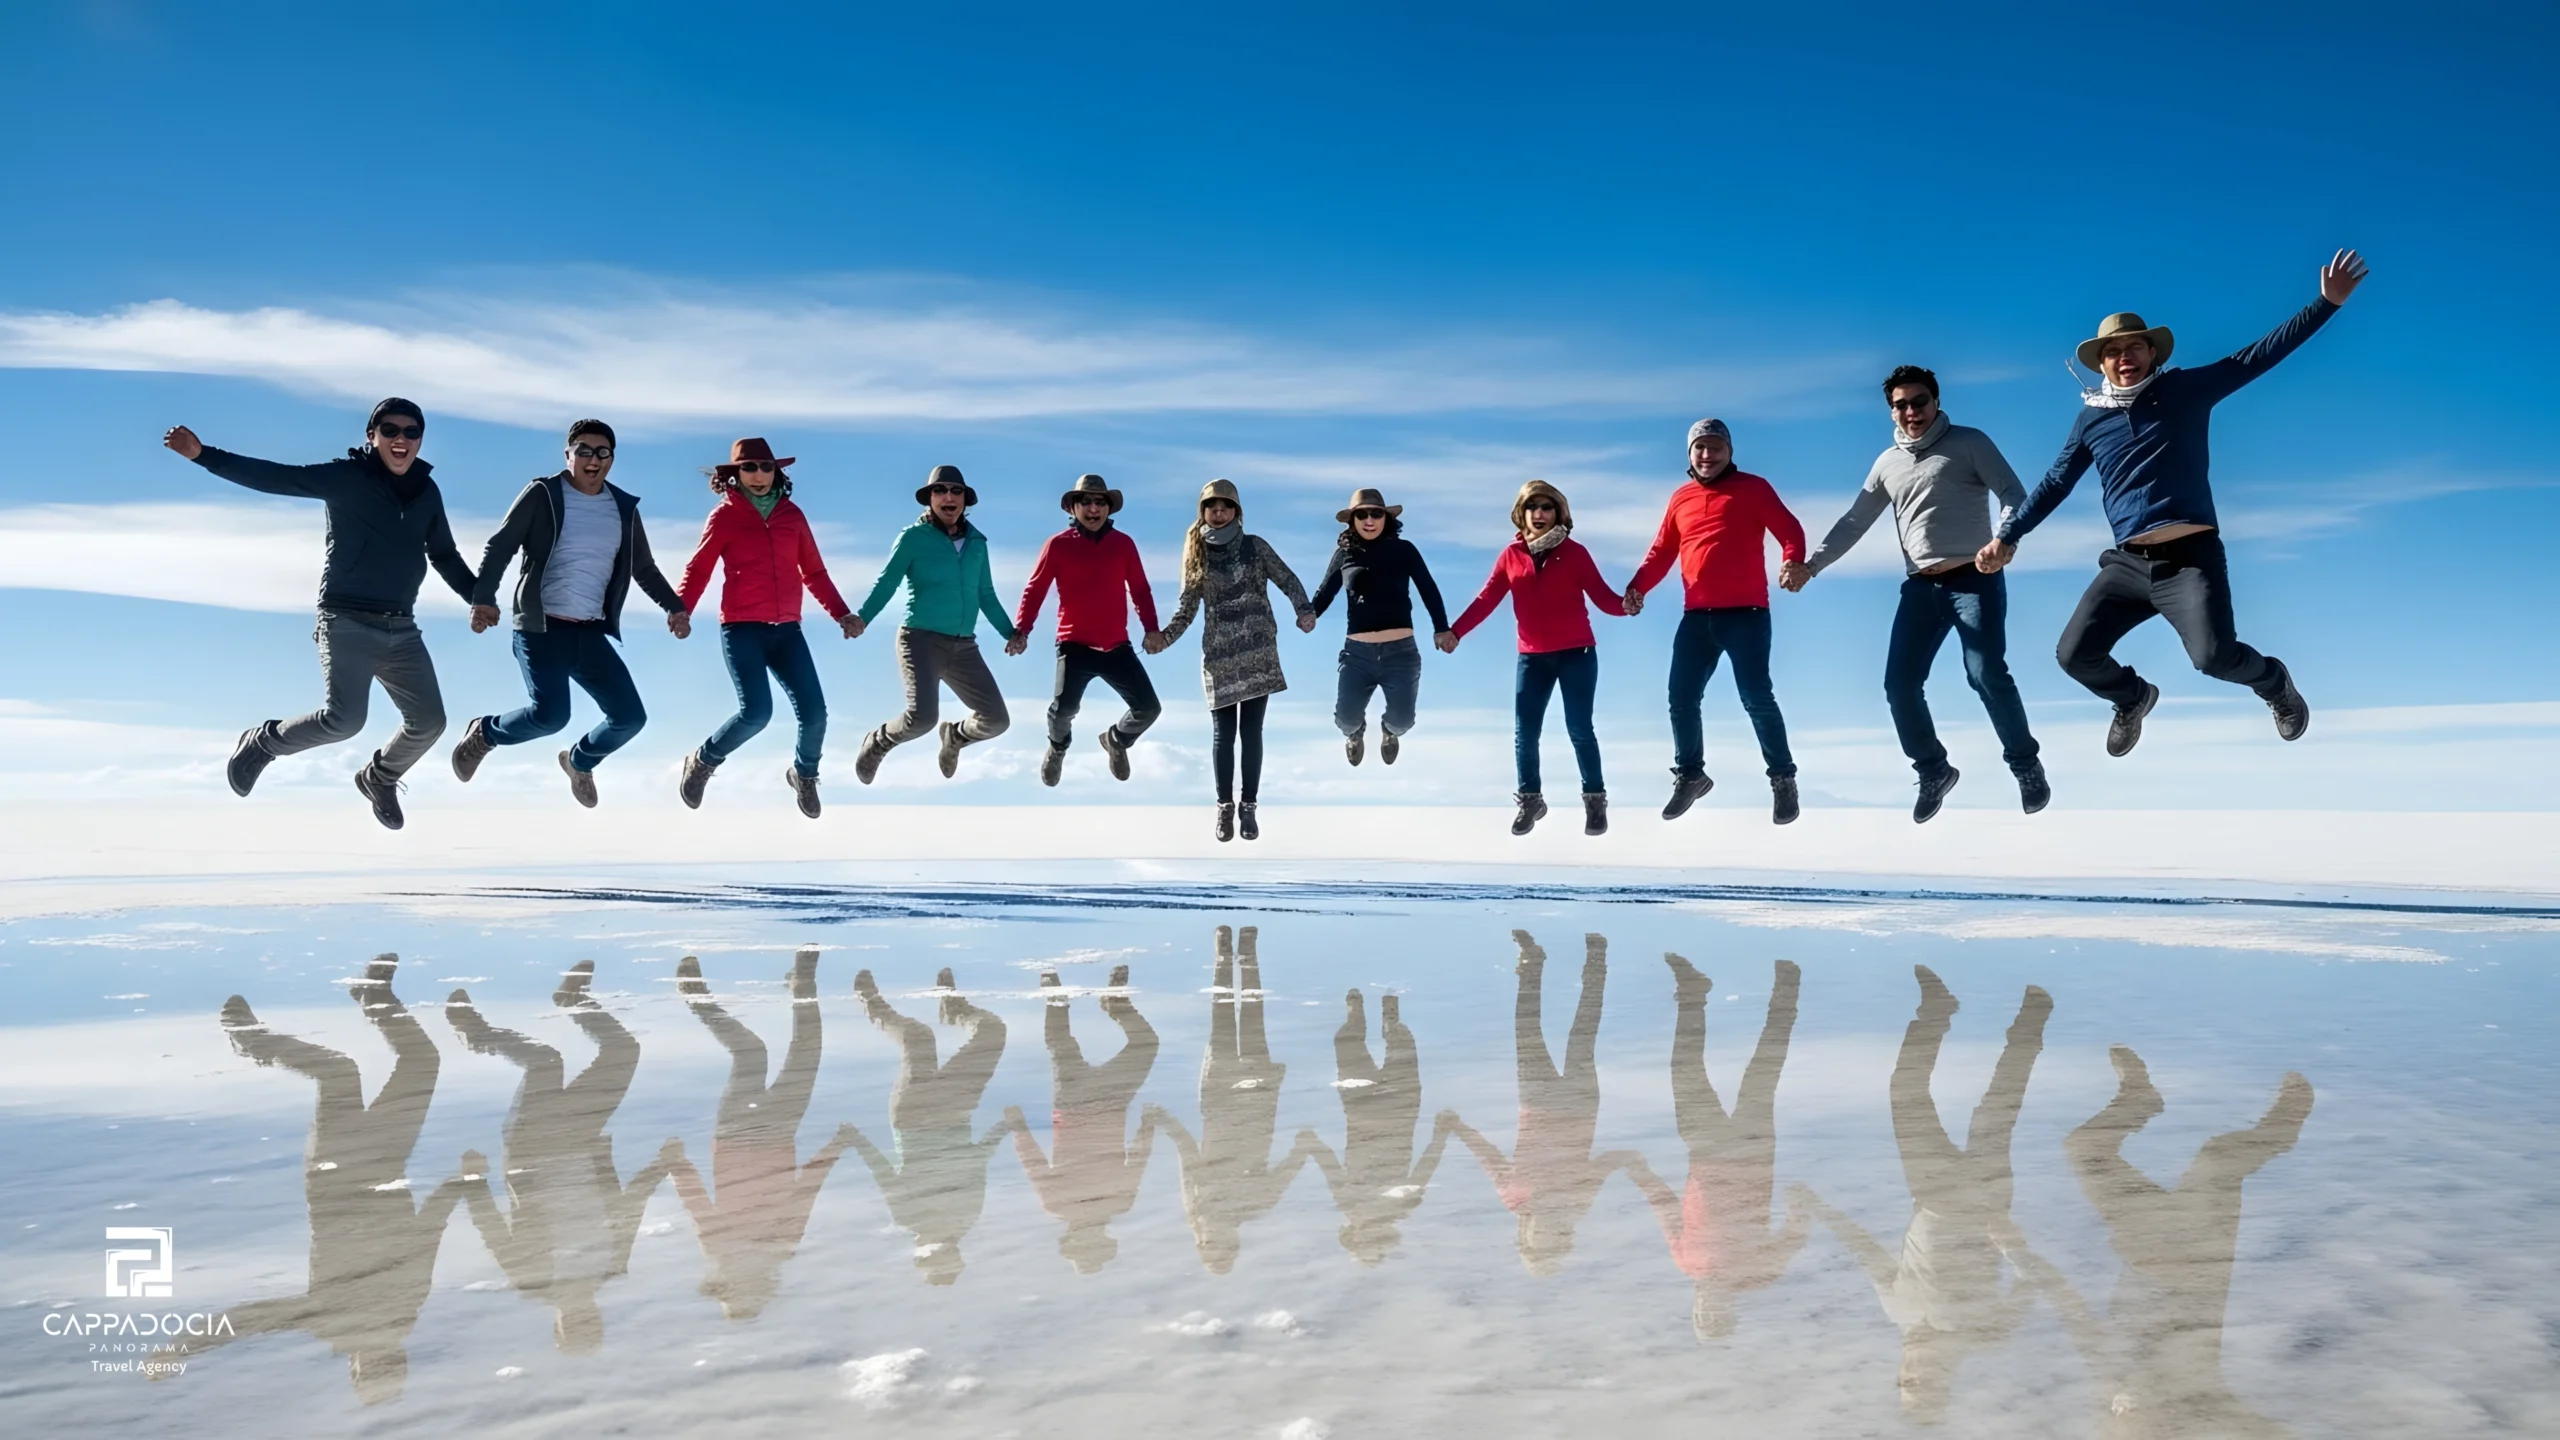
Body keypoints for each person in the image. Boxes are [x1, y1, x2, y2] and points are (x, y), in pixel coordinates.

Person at [1978, 250, 2369, 757]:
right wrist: (2007, 536)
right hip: (2128, 565)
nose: (2125, 357)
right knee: (2073, 655)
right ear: (2101, 362)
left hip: (2191, 559)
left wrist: (2325, 304)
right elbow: (2055, 482)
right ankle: (2133, 697)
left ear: (2151, 354)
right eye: (2114, 350)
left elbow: (2255, 357)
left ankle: (2274, 682)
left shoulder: (2184, 390)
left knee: (2214, 658)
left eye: (2135, 346)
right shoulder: (2091, 422)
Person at [162, 399, 477, 830]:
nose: (400, 439)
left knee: (429, 723)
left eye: (411, 432)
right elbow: (277, 477)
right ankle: (264, 743)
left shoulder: (426, 492)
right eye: (390, 430)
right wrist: (204, 455)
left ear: (420, 440)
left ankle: (380, 777)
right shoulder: (346, 478)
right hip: (345, 619)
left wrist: (477, 597)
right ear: (373, 436)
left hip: (401, 626)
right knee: (344, 720)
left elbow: (442, 552)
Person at [1791, 965, 2051, 1425]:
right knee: (1996, 1105)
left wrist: (1820, 1209)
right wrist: (2010, 1243)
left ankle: (1936, 1011)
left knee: (1905, 1091)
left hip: (1929, 1191)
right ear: (1943, 1382)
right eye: (1920, 1384)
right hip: (1984, 1202)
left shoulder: (1898, 1311)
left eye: (1903, 1382)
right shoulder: (1984, 1333)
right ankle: (2033, 1016)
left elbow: (1866, 1252)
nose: (1909, 1372)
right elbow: (2034, 1283)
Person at [1784, 369, 2049, 820]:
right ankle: (1933, 770)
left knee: (1984, 673)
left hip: (1974, 578)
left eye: (1920, 402)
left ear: (1937, 401)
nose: (1912, 412)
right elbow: (1855, 521)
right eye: (1902, 405)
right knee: (1899, 685)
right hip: (1921, 587)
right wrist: (1812, 566)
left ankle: (2025, 765)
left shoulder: (1970, 443)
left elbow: (2012, 494)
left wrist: (2004, 541)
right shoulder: (1887, 463)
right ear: (1891, 410)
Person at [450, 419, 688, 808]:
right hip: (540, 628)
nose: (592, 460)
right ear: (568, 454)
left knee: (630, 718)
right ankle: (486, 733)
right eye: (584, 451)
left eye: (602, 452)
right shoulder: (543, 493)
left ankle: (581, 761)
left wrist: (674, 607)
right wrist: (483, 598)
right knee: (550, 716)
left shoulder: (623, 508)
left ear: (611, 459)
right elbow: (502, 545)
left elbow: (642, 567)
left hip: (589, 633)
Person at [443, 962, 670, 1355]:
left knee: (545, 1061)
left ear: (558, 1326)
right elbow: (630, 1209)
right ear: (598, 1317)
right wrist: (660, 1166)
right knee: (623, 1050)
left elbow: (492, 1229)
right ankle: (574, 999)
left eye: (575, 1326)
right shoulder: (612, 1265)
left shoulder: (530, 1280)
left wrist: (474, 1181)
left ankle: (475, 1034)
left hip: (533, 1147)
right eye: (589, 1323)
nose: (582, 1316)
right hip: (582, 1140)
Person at [1628, 418, 1810, 825]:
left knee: (1756, 697)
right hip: (1696, 617)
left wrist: (1791, 562)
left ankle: (1783, 779)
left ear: (1729, 451)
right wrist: (1637, 587)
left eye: (1715, 447)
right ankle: (1690, 775)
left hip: (1746, 614)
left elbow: (1790, 529)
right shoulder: (1680, 498)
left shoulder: (1754, 488)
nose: (1707, 455)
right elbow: (1662, 551)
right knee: (1680, 697)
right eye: (1700, 448)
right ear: (1689, 454)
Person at [1444, 931, 1657, 1276]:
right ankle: (1596, 959)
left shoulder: (1515, 1200)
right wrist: (1633, 1164)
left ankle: (1532, 961)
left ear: (1525, 1235)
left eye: (1538, 1237)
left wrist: (1457, 1128)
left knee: (1525, 1027)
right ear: (1566, 1236)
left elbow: (1489, 1157)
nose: (1547, 1230)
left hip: (1536, 1100)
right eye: (1555, 1237)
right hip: (1580, 1103)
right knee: (1583, 1031)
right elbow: (1607, 1162)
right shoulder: (1578, 1203)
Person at [660, 951, 855, 1321]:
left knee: (751, 1053)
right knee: (807, 1051)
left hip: (735, 1130)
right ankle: (803, 982)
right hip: (781, 1131)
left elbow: (695, 1201)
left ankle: (696, 997)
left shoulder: (719, 1246)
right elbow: (805, 1191)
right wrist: (835, 1147)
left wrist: (676, 1163)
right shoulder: (782, 1246)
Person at [672, 439, 856, 818]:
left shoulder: (793, 516)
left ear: (777, 473)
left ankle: (803, 775)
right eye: (750, 467)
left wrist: (841, 614)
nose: (759, 476)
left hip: (788, 631)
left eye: (766, 467)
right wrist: (681, 609)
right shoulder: (724, 516)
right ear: (735, 474)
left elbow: (815, 572)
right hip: (742, 630)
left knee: (816, 713)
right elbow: (700, 567)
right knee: (757, 713)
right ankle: (704, 761)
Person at [1630, 957, 1808, 1342]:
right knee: (1763, 1069)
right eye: (1717, 1316)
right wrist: (1800, 1204)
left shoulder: (1685, 1263)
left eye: (1703, 1315)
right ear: (1732, 1312)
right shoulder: (1760, 1274)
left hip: (1704, 1150)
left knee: (1684, 1068)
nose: (1710, 1308)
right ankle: (1786, 991)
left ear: (1694, 1307)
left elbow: (1665, 1208)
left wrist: (1641, 1174)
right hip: (1752, 1152)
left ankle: (1692, 994)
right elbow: (1795, 1235)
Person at [1450, 480, 1631, 837]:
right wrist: (1456, 632)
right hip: (1532, 658)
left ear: (1558, 513)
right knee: (1525, 733)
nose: (1539, 514)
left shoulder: (1575, 553)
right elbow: (1487, 599)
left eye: (1546, 507)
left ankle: (1595, 801)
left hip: (1576, 653)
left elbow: (1603, 596)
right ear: (1522, 513)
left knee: (1579, 728)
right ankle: (1531, 800)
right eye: (1532, 507)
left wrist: (1627, 606)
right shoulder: (1510, 556)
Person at [1143, 926, 1325, 1273]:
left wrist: (1163, 1120)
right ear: (1234, 1241)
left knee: (1222, 1015)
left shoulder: (1197, 1200)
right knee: (1253, 1015)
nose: (1216, 1235)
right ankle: (1249, 953)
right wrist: (1307, 1145)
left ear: (1202, 1239)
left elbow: (1186, 1153)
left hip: (1220, 1096)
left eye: (1210, 1243)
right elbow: (1292, 1164)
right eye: (1223, 1244)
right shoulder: (1258, 1203)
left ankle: (1224, 954)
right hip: (1257, 1098)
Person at [1147, 479, 1314, 842]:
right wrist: (1164, 639)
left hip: (1257, 651)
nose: (1218, 512)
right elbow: (1186, 609)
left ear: (1237, 511)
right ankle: (1224, 809)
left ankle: (1249, 808)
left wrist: (1304, 611)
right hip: (1219, 655)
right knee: (1223, 734)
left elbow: (1287, 579)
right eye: (1212, 506)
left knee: (1251, 732)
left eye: (1225, 506)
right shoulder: (1198, 554)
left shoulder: (1255, 547)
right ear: (1203, 512)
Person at [840, 968, 1019, 1287]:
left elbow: (882, 1171)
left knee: (918, 1038)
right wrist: (1003, 1128)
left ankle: (871, 1002)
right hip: (956, 1110)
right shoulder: (966, 1217)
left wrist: (855, 1140)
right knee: (992, 1031)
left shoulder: (907, 1216)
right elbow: (976, 1163)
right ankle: (955, 1010)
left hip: (913, 1114)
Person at [851, 465, 1017, 784]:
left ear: (965, 500)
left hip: (964, 646)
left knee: (996, 720)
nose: (948, 497)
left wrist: (1010, 633)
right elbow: (888, 582)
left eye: (956, 491)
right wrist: (863, 618)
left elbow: (986, 594)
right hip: (920, 640)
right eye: (940, 491)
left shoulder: (977, 543)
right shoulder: (912, 538)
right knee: (922, 719)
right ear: (930, 499)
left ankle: (955, 737)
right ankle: (879, 741)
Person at [1008, 473, 1164, 787]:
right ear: (1074, 508)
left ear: (1108, 508)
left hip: (1116, 646)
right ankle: (1057, 747)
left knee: (1148, 708)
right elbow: (1035, 589)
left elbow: (1141, 590)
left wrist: (1152, 629)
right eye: (1086, 502)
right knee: (1063, 710)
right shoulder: (1058, 545)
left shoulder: (1123, 544)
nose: (1093, 509)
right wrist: (1022, 629)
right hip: (1074, 645)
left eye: (1099, 502)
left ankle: (1116, 740)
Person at [1006, 966, 1160, 1275]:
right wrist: (1017, 1127)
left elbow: (1139, 1157)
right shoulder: (1062, 1205)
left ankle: (1092, 1003)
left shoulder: (1117, 1203)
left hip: (1101, 1104)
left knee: (1143, 1045)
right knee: (1062, 1046)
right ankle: (1069, 1000)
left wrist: (1147, 1126)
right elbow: (1032, 1162)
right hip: (1085, 1104)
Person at [1307, 488, 1454, 767]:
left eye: (1376, 513)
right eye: (1361, 514)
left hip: (1401, 653)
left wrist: (1441, 628)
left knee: (1403, 720)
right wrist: (1309, 615)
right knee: (1345, 719)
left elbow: (1428, 589)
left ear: (1386, 517)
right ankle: (1355, 733)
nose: (1369, 520)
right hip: (1357, 654)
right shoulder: (1344, 555)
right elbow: (1325, 592)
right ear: (1352, 521)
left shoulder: (1404, 550)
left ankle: (1389, 732)